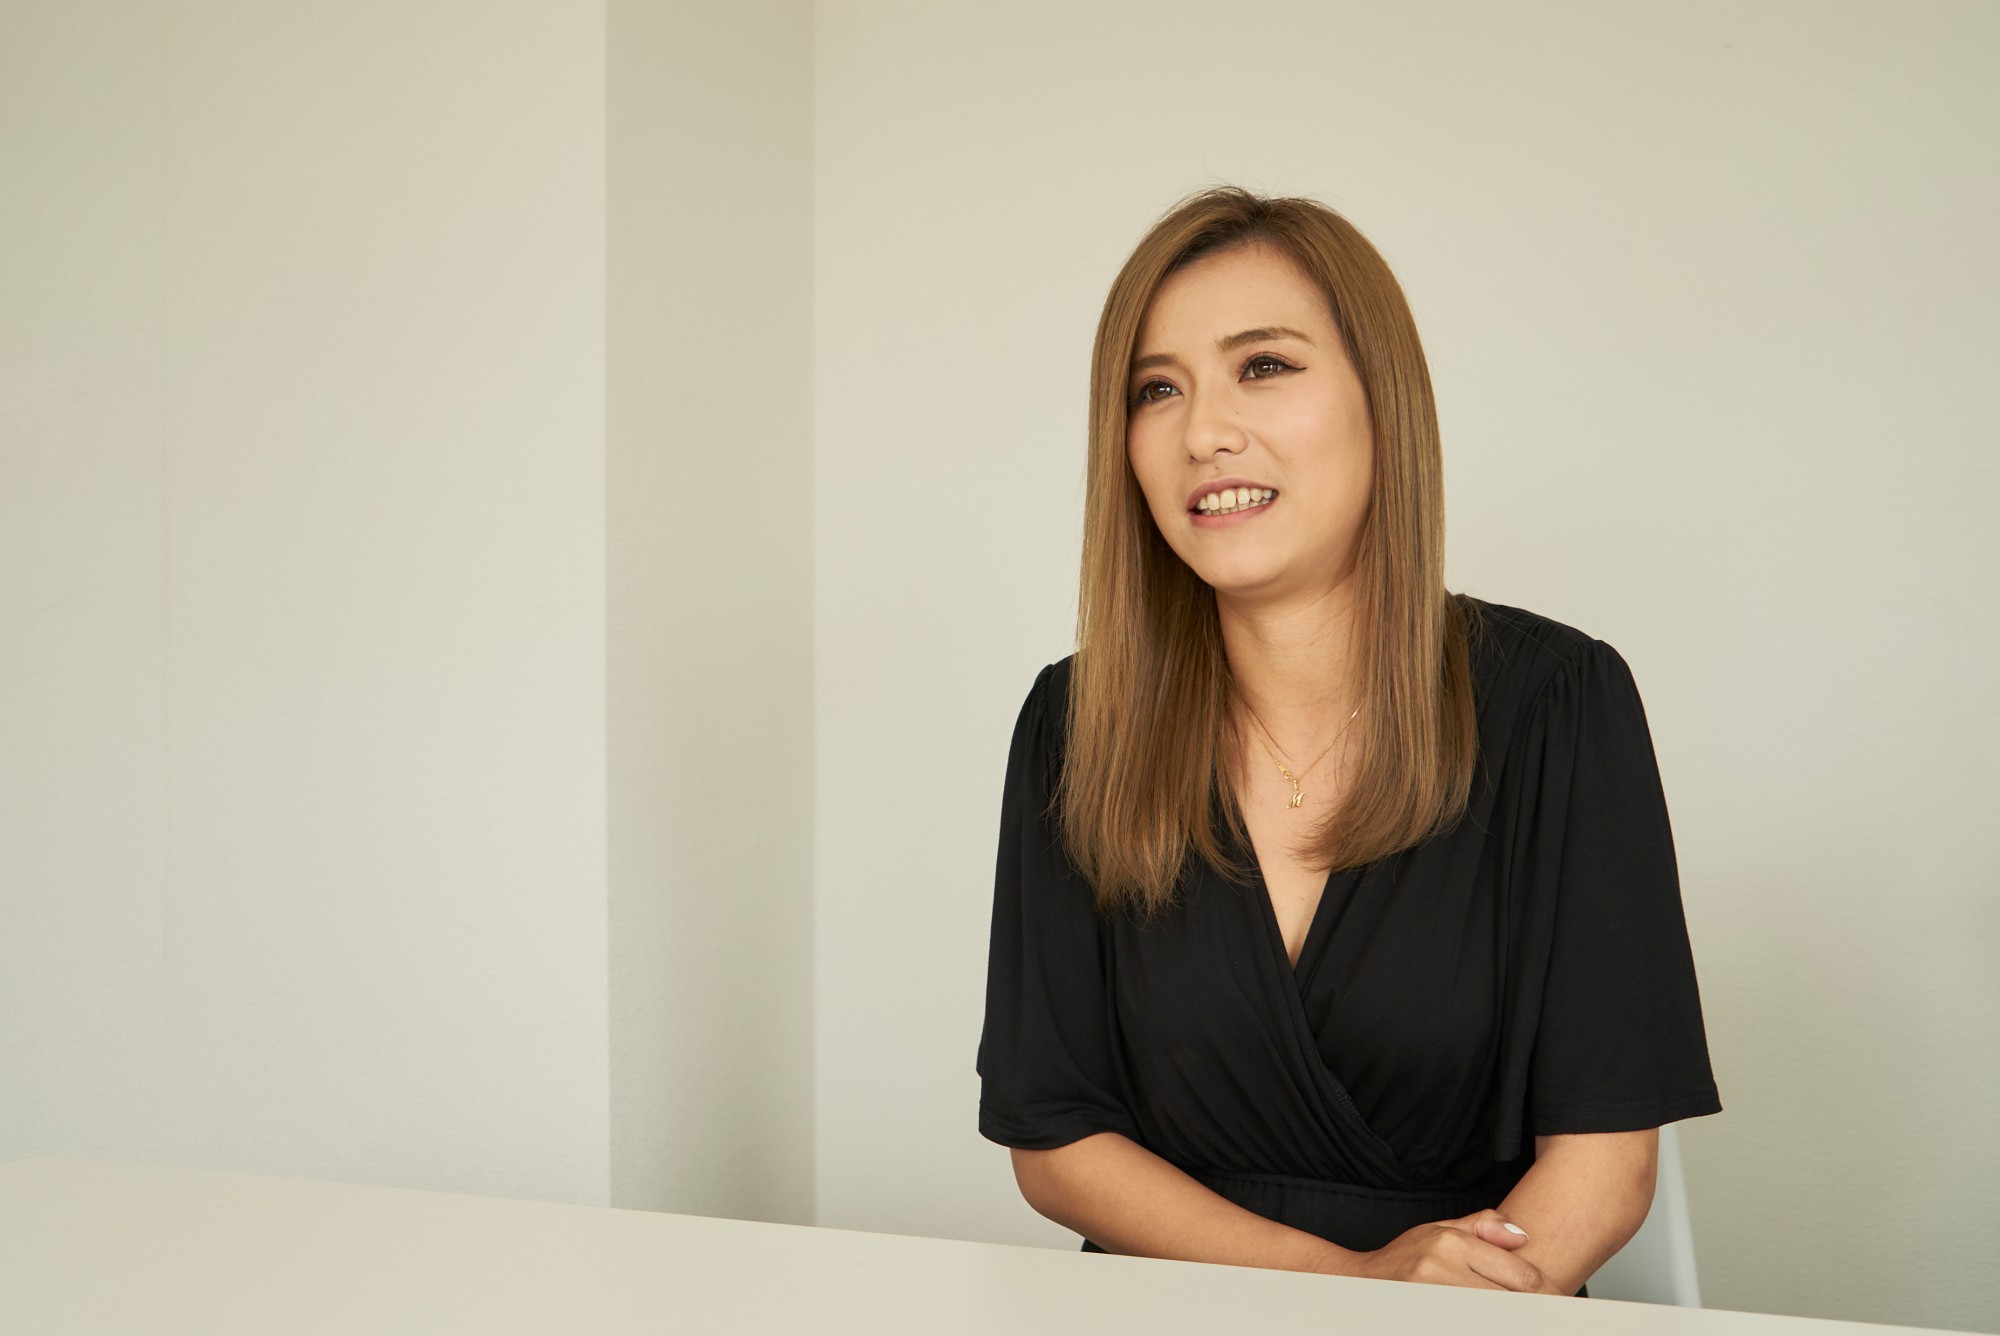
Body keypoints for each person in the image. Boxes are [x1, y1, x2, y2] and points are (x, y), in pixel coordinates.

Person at [975, 185, 1722, 1298]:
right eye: (1155, 389)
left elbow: (1605, 1164)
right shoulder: (1074, 723)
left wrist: (1424, 1310)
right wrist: (1348, 1283)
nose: (1203, 431)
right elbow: (1056, 1141)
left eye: (1263, 366)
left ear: (1384, 399)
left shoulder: (1560, 702)